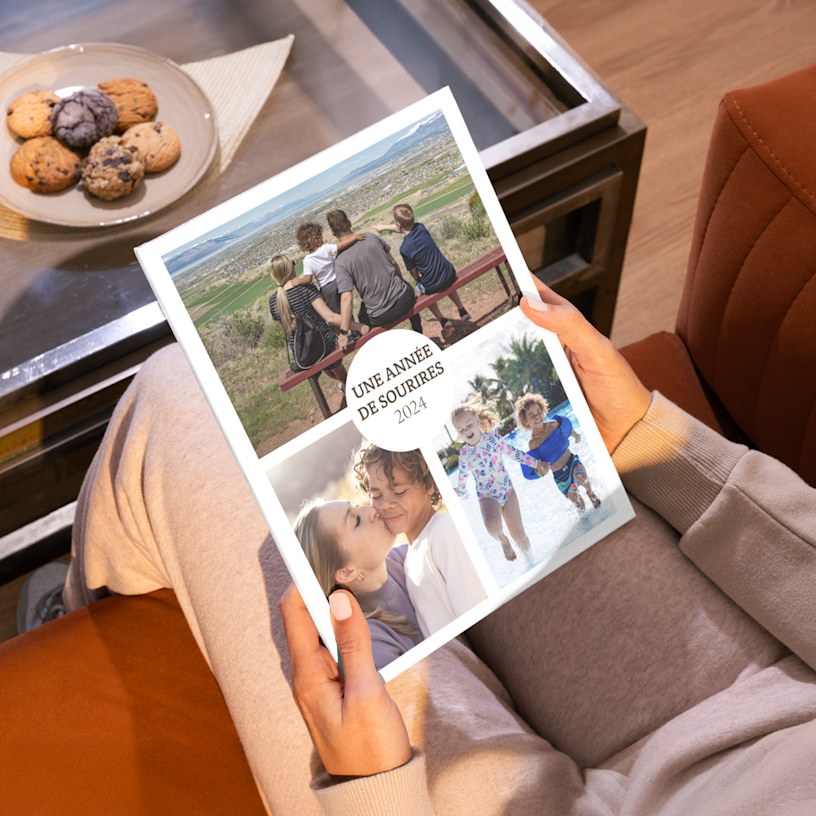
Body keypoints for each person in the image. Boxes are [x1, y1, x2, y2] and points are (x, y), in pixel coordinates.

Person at [21, 285, 816, 815]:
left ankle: (90, 606)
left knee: (184, 387)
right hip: (773, 696)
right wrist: (657, 440)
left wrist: (373, 790)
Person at [353, 442, 487, 637]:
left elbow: (480, 615)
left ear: (429, 485)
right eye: (376, 495)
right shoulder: (412, 554)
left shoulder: (443, 532)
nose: (386, 504)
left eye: (399, 492)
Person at [292, 498, 423, 670]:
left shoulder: (410, 555)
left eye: (357, 507)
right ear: (347, 572)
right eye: (356, 521)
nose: (372, 510)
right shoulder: (372, 642)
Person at [452, 396, 548, 562]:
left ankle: (531, 561)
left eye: (468, 425)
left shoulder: (494, 440)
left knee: (519, 534)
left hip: (506, 490)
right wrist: (458, 491)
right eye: (461, 430)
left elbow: (515, 453)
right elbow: (462, 478)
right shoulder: (465, 455)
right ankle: (503, 539)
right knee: (492, 526)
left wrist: (535, 463)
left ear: (476, 420)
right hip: (487, 496)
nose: (466, 430)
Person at [326, 209, 422, 349]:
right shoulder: (371, 237)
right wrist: (401, 283)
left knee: (362, 318)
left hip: (380, 315)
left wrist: (343, 332)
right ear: (349, 222)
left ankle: (389, 350)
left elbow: (347, 298)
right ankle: (418, 332)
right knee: (406, 288)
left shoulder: (340, 262)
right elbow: (393, 263)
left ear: (333, 232)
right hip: (404, 300)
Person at [267, 253, 367, 387]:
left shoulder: (273, 302)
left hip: (304, 355)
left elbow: (287, 333)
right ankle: (348, 387)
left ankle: (343, 386)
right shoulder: (304, 289)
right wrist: (358, 326)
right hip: (324, 345)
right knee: (340, 372)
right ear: (290, 268)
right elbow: (330, 318)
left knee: (327, 365)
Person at [373, 203, 470, 329]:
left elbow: (413, 273)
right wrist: (383, 227)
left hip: (433, 285)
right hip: (449, 273)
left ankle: (443, 321)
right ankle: (462, 310)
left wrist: (418, 280)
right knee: (442, 274)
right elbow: (403, 227)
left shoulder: (405, 248)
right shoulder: (421, 227)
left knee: (420, 289)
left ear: (398, 224)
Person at [514, 393, 602, 513]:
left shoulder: (553, 425)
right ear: (526, 421)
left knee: (582, 478)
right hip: (560, 476)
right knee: (579, 505)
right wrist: (540, 471)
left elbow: (567, 429)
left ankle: (590, 492)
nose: (537, 416)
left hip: (572, 462)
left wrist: (576, 436)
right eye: (531, 415)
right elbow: (537, 464)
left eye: (538, 411)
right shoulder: (533, 443)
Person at [294, 221, 364, 314]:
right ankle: (354, 327)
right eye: (320, 237)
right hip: (339, 281)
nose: (323, 239)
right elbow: (342, 245)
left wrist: (297, 281)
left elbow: (308, 279)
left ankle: (341, 328)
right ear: (315, 239)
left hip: (326, 288)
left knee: (334, 312)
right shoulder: (326, 248)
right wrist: (354, 237)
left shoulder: (307, 260)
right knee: (346, 310)